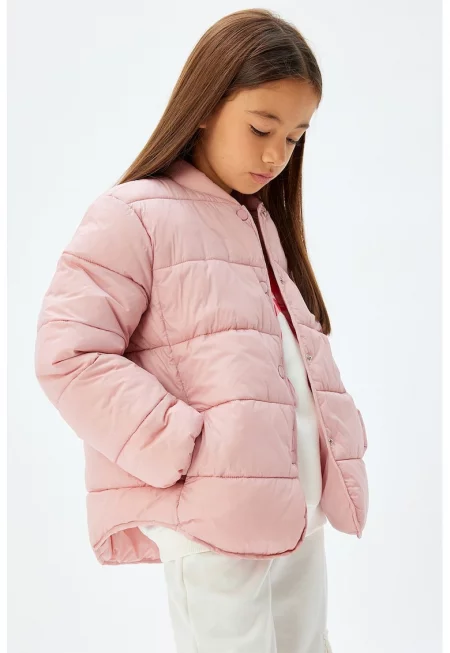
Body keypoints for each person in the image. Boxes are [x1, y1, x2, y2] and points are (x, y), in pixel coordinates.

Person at [34, 8, 369, 653]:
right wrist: (182, 444)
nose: (276, 155)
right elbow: (68, 355)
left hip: (295, 501)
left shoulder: (259, 223)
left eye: (295, 137)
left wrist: (337, 435)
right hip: (211, 508)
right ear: (208, 106)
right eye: (261, 128)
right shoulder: (134, 214)